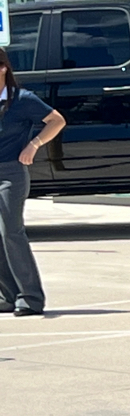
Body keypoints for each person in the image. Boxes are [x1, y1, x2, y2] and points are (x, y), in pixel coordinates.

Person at [0, 47, 65, 316]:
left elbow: (57, 121)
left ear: (3, 68)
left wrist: (34, 145)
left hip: (10, 174)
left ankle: (31, 297)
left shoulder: (22, 99)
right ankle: (9, 295)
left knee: (10, 231)